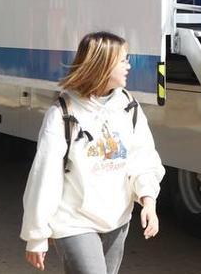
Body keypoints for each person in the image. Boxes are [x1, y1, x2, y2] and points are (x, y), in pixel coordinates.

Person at [21, 32, 164, 274]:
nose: (129, 65)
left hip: (117, 220)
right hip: (73, 222)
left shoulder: (129, 107)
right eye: (123, 60)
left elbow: (144, 159)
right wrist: (37, 235)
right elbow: (44, 176)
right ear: (103, 64)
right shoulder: (63, 112)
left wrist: (148, 201)